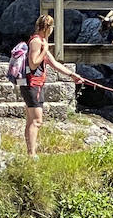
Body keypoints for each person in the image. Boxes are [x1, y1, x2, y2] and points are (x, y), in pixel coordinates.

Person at [22, 15, 81, 158]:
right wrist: (45, 49)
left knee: (31, 120)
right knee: (37, 121)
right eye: (52, 28)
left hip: (34, 84)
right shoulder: (37, 41)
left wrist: (72, 75)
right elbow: (33, 63)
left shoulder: (41, 41)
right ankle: (31, 155)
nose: (52, 30)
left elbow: (54, 64)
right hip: (32, 84)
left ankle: (30, 153)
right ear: (48, 27)